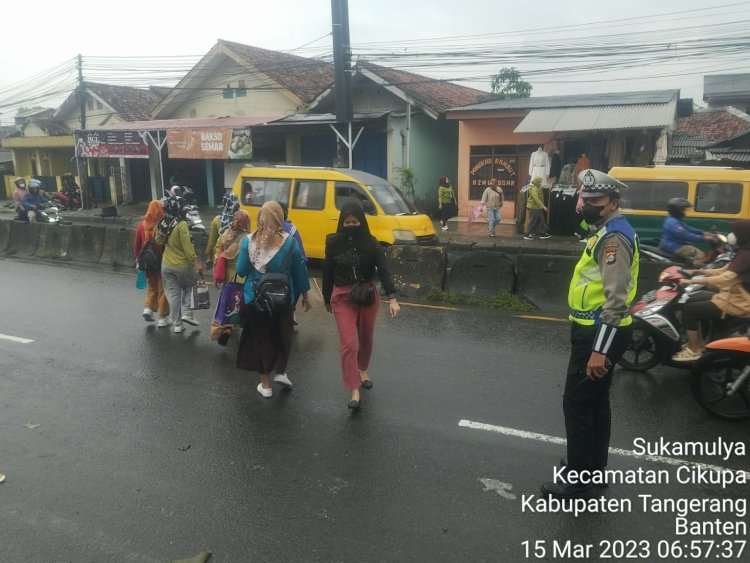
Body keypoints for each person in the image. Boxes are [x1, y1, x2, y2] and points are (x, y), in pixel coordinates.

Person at [541, 169, 639, 499]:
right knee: (596, 404)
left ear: (612, 202)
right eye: (586, 198)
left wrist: (599, 351)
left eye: (595, 200)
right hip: (596, 330)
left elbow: (616, 300)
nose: (587, 204)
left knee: (578, 405)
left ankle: (580, 481)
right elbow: (580, 228)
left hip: (599, 332)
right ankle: (593, 470)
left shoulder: (613, 240)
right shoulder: (607, 229)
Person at [323, 201, 401, 410]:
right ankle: (354, 389)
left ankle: (362, 369)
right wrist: (326, 298)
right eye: (347, 222)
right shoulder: (333, 243)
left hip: (367, 295)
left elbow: (383, 270)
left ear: (361, 221)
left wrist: (392, 298)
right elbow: (327, 271)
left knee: (366, 339)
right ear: (342, 222)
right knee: (349, 344)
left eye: (354, 221)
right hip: (342, 297)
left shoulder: (372, 243)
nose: (350, 225)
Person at [236, 201, 311, 397]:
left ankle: (266, 385)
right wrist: (305, 295)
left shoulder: (248, 242)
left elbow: (241, 271)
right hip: (283, 300)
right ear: (280, 218)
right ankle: (281, 371)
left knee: (261, 340)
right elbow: (299, 273)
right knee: (281, 335)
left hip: (255, 299)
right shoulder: (290, 243)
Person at [672, 219, 750, 362]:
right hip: (732, 296)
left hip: (739, 303)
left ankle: (695, 350)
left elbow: (725, 279)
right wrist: (697, 271)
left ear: (743, 235)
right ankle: (698, 343)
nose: (733, 236)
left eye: (736, 233)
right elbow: (724, 270)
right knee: (692, 300)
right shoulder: (744, 252)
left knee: (690, 310)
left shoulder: (746, 256)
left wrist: (692, 280)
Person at [156, 196, 203, 333]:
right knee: (189, 287)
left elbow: (158, 240)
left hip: (166, 265)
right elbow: (187, 246)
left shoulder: (164, 222)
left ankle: (177, 324)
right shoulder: (181, 224)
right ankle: (187, 313)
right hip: (183, 265)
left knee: (174, 294)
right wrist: (196, 262)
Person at [210, 209, 250, 346]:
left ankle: (225, 327)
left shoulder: (225, 234)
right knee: (237, 303)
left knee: (225, 302)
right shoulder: (247, 238)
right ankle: (230, 327)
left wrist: (217, 272)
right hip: (240, 275)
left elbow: (217, 251)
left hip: (225, 273)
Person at [134, 200, 170, 327]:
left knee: (152, 287)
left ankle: (148, 309)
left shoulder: (141, 225)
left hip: (147, 263)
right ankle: (163, 318)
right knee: (163, 290)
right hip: (160, 262)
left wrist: (138, 260)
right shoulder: (162, 225)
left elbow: (137, 246)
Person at [660, 198, 716, 265]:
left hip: (677, 244)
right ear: (676, 210)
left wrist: (703, 232)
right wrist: (704, 238)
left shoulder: (674, 219)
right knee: (701, 256)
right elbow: (686, 236)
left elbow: (689, 229)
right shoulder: (673, 222)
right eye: (682, 209)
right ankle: (693, 272)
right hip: (676, 247)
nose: (684, 211)